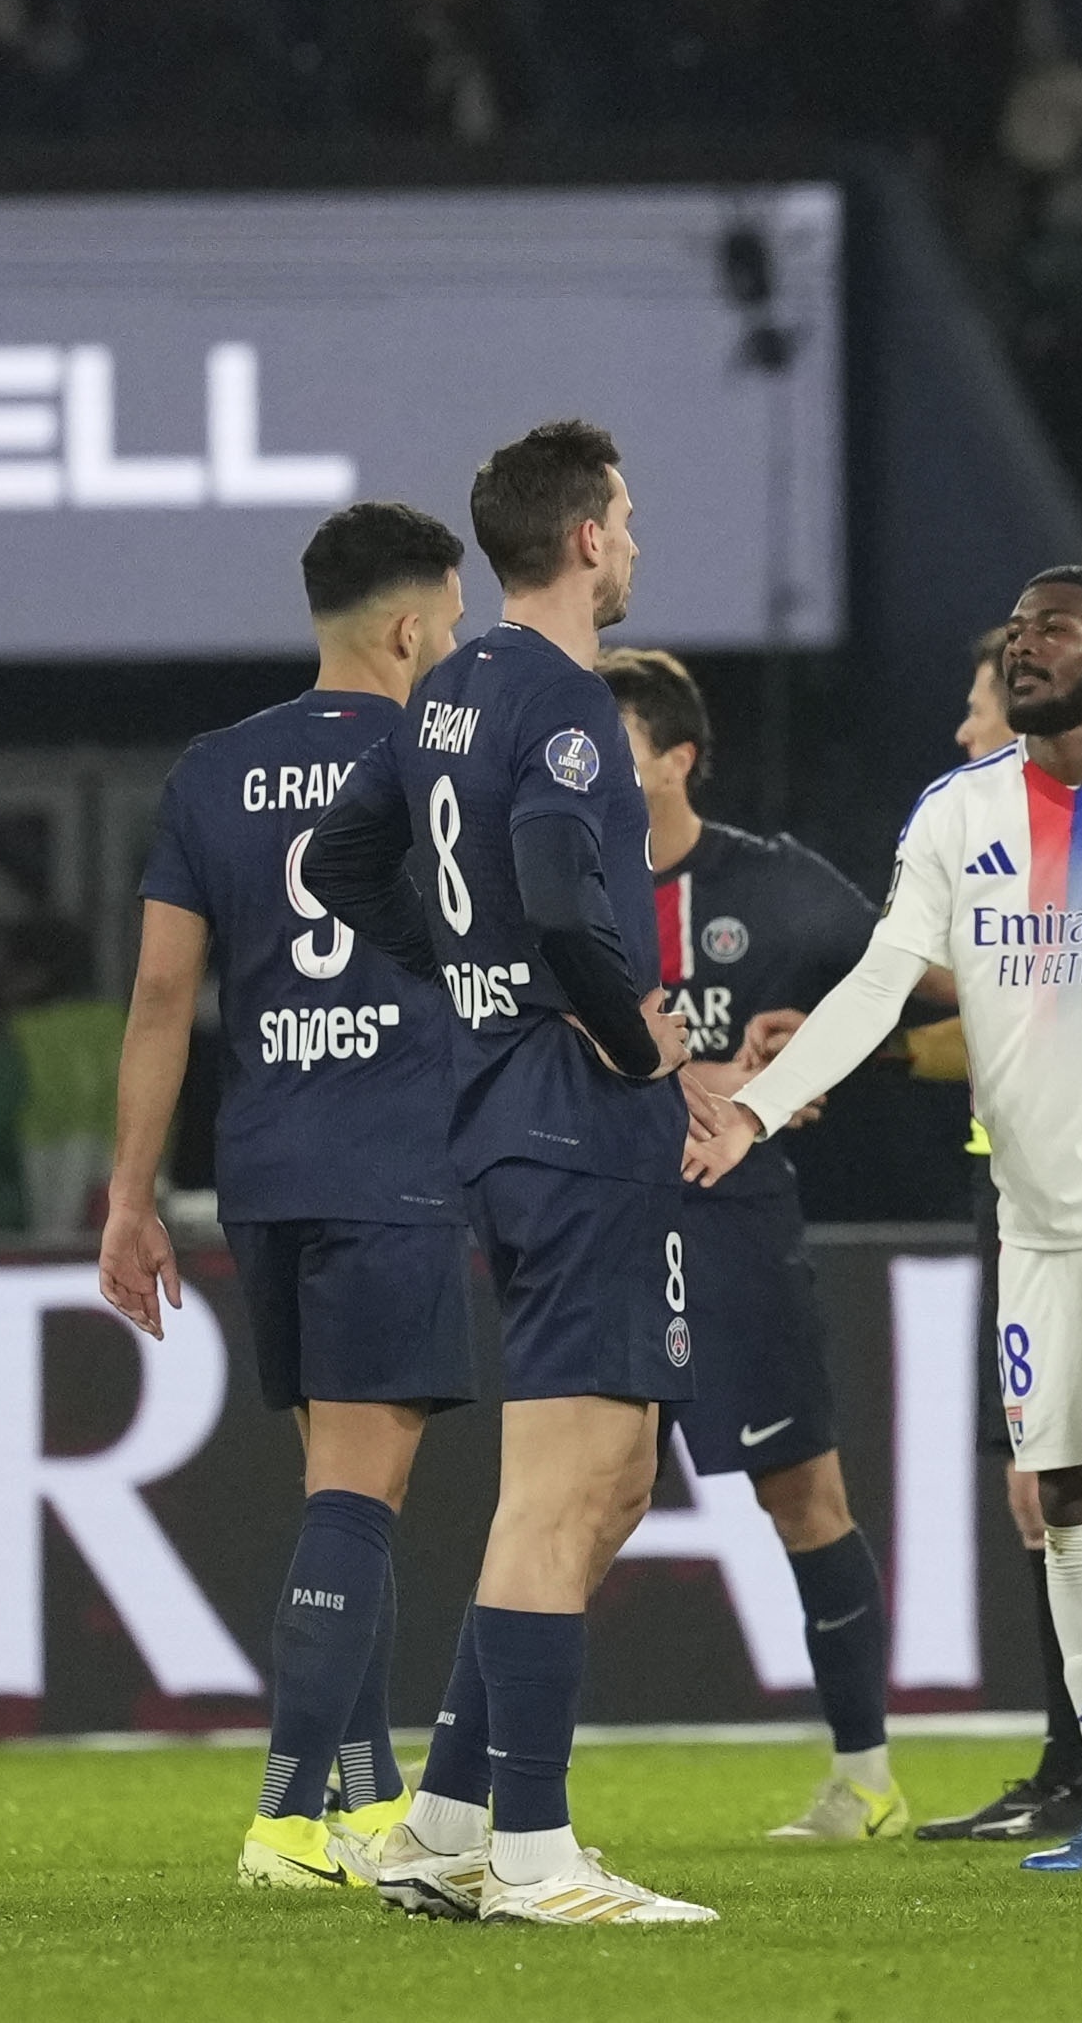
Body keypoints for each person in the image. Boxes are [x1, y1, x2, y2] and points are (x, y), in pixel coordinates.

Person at [690, 566, 1082, 1873]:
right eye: (1015, 631)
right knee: (1064, 1498)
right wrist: (756, 1102)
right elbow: (875, 987)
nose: (1027, 649)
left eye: (1055, 630)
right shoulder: (956, 813)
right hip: (1032, 1216)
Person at [304, 420, 715, 1926]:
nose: (632, 536)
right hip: (568, 1114)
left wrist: (464, 973)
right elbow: (552, 879)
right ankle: (532, 1854)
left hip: (499, 1106)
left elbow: (340, 869)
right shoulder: (555, 702)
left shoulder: (446, 692)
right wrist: (629, 1038)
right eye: (627, 512)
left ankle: (448, 1820)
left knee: (601, 1477)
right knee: (563, 1489)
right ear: (590, 535)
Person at [98, 500, 472, 1892]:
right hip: (396, 1158)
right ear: (403, 627)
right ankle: (282, 1814)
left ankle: (366, 1799)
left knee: (336, 1479)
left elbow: (158, 996)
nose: (457, 647)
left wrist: (130, 1194)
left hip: (265, 1166)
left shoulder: (213, 769)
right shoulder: (435, 762)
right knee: (361, 1495)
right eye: (451, 622)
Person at [600, 645, 910, 1841]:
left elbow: (916, 979)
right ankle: (506, 1787)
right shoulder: (562, 888)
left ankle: (867, 1778)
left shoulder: (770, 884)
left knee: (802, 1490)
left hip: (735, 1220)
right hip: (605, 1218)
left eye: (613, 754)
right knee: (590, 1491)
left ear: (677, 760)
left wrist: (818, 1051)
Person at [915, 633, 1082, 1846]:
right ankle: (1069, 1755)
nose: (966, 730)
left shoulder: (1063, 858)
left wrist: (845, 1030)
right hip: (1016, 1195)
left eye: (979, 707)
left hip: (1073, 1203)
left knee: (1066, 1487)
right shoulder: (995, 838)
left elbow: (991, 1015)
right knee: (1044, 1492)